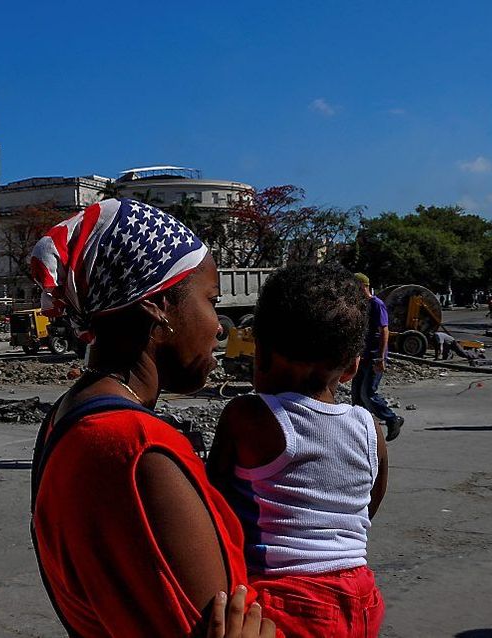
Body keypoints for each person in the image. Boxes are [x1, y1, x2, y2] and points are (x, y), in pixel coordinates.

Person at [29, 198, 276, 637]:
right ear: (159, 304)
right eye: (210, 300)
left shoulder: (67, 414)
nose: (219, 326)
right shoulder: (139, 445)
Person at [209, 264, 388, 638]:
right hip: (361, 596)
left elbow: (213, 494)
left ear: (259, 353)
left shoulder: (249, 415)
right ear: (352, 367)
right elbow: (368, 503)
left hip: (286, 597)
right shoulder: (369, 427)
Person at [350, 273, 404, 441]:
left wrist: (381, 358)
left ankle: (391, 419)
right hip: (362, 356)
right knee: (357, 396)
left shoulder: (376, 304)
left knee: (368, 393)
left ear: (363, 286)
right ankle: (362, 430)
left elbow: (384, 331)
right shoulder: (360, 305)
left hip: (374, 356)